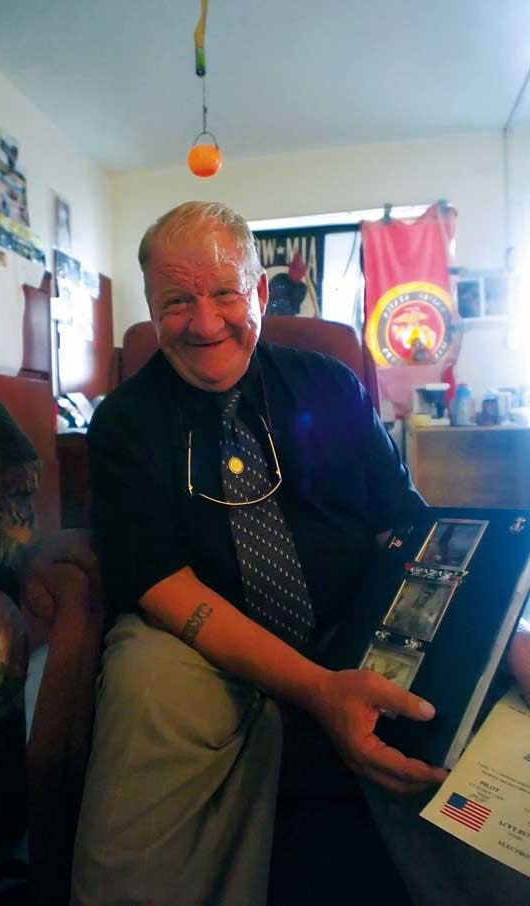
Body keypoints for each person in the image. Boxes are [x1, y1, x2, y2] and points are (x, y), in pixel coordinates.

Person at [71, 201, 530, 906]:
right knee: (143, 673)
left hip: (354, 617)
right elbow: (159, 584)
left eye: (225, 292)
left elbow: (405, 529)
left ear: (259, 291)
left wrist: (503, 637)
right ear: (152, 309)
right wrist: (317, 690)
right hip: (197, 642)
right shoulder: (125, 423)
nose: (205, 321)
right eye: (176, 300)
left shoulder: (329, 385)